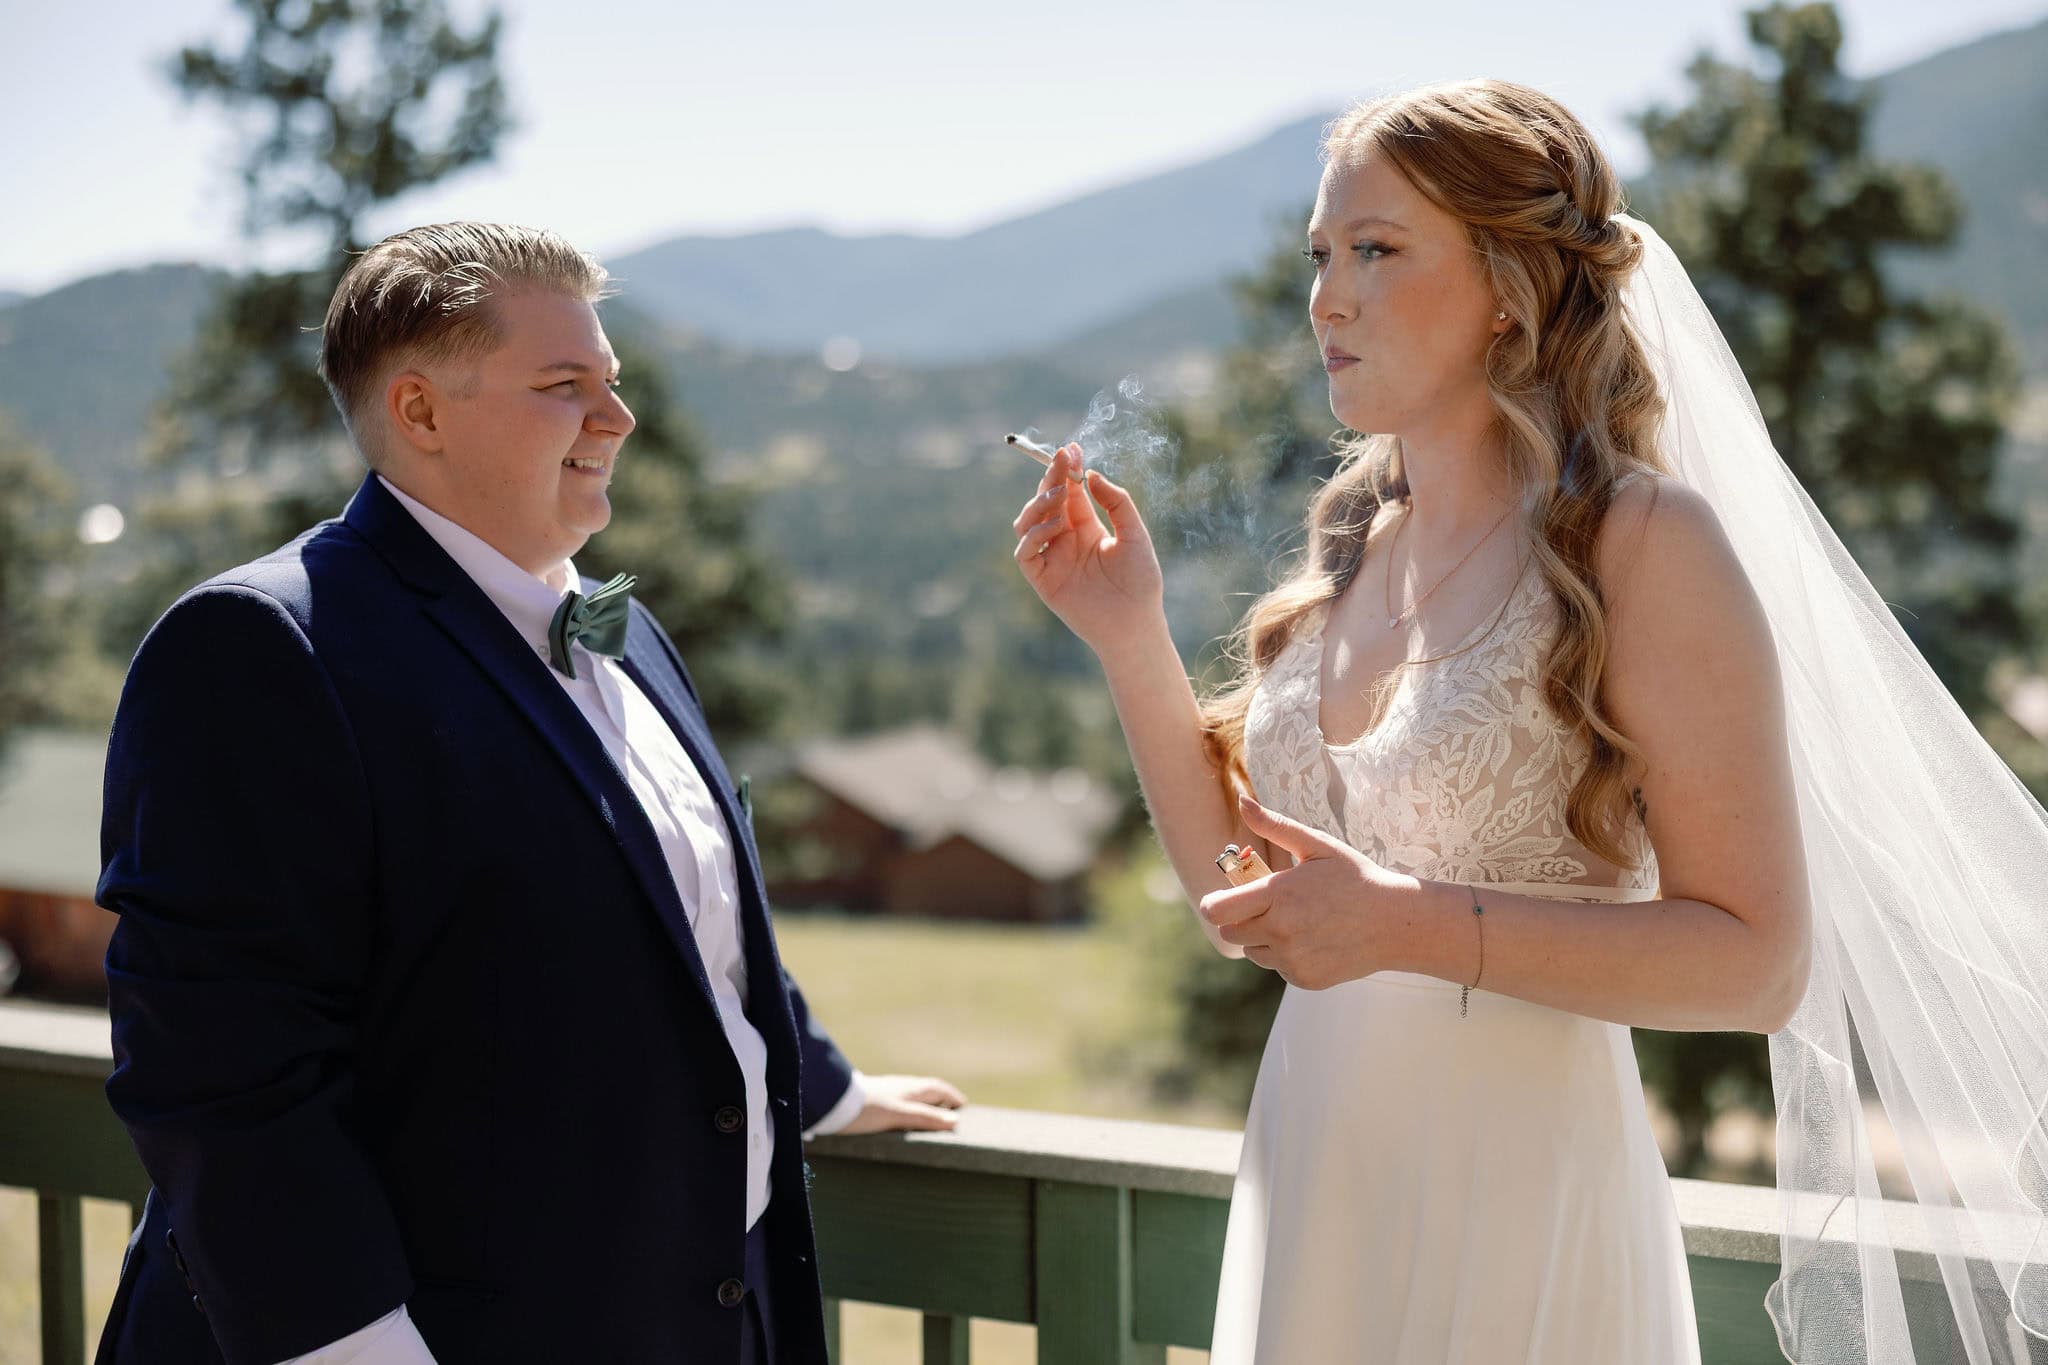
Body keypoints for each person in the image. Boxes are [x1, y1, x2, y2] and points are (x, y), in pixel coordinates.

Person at [1012, 80, 1812, 1362]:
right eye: (1320, 255)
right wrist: (1126, 637)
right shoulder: (1356, 551)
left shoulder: (1641, 544)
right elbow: (1239, 892)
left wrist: (1407, 926)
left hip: (1516, 1189)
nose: (1326, 298)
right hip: (1316, 1169)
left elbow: (1758, 964)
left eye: (1376, 251)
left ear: (1509, 279)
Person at [94, 221, 965, 1365]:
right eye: (566, 386)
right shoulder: (260, 649)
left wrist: (824, 1084)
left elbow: (681, 921)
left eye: (613, 381)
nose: (619, 418)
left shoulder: (631, 630)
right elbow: (221, 1069)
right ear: (418, 412)